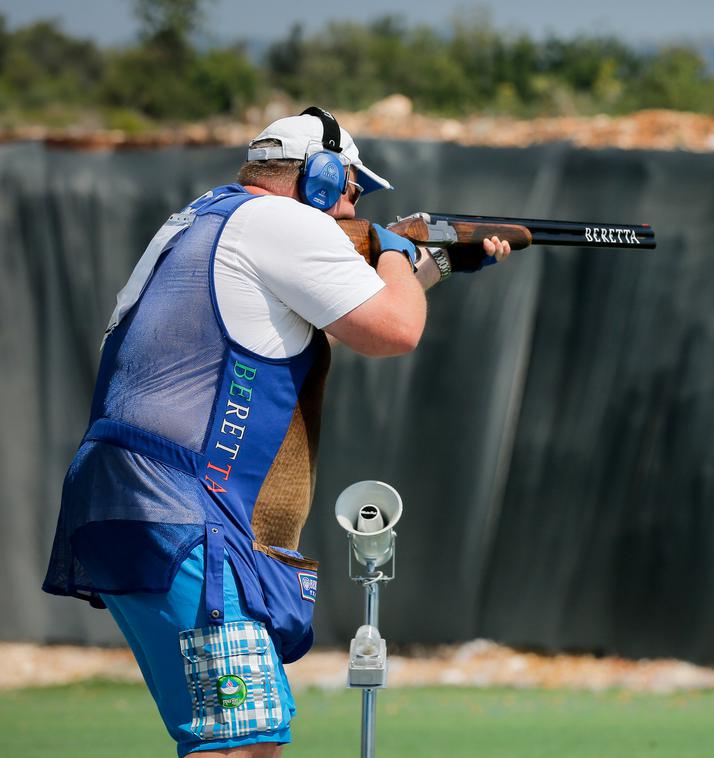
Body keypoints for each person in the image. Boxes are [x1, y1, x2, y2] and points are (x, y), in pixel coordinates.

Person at [42, 106, 510, 757]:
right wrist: (400, 253)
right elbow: (394, 330)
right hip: (183, 514)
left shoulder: (208, 218)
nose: (352, 210)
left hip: (150, 504)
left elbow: (333, 303)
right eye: (351, 190)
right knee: (240, 742)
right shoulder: (281, 221)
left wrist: (437, 266)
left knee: (246, 739)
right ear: (319, 177)